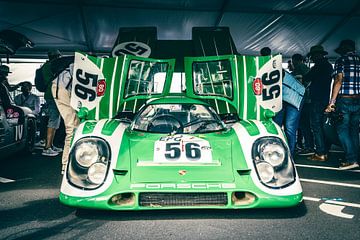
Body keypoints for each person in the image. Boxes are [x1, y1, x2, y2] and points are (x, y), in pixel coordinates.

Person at [325, 39, 360, 170]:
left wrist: (332, 102)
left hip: (344, 99)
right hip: (358, 100)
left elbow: (338, 80)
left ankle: (351, 159)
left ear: (344, 49)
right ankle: (354, 158)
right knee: (354, 130)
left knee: (342, 130)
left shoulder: (342, 60)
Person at [305, 45, 333, 161]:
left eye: (313, 56)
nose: (312, 58)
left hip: (317, 99)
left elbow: (307, 77)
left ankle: (320, 153)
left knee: (316, 126)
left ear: (317, 55)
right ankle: (325, 151)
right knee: (323, 126)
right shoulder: (328, 65)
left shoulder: (319, 65)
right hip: (325, 98)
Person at [52, 62, 79, 174]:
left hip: (63, 85)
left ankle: (68, 164)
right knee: (72, 127)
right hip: (64, 87)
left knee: (73, 127)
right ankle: (66, 165)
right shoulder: (99, 66)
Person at [41, 50, 63, 157]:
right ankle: (47, 147)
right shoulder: (52, 65)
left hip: (51, 94)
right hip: (53, 95)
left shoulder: (46, 66)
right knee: (53, 120)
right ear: (56, 56)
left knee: (55, 120)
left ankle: (51, 145)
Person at [291, 54, 313, 156]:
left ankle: (309, 146)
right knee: (302, 125)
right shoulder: (302, 67)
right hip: (304, 100)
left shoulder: (301, 67)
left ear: (295, 60)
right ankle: (305, 145)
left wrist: (302, 89)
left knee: (304, 125)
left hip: (303, 100)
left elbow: (309, 80)